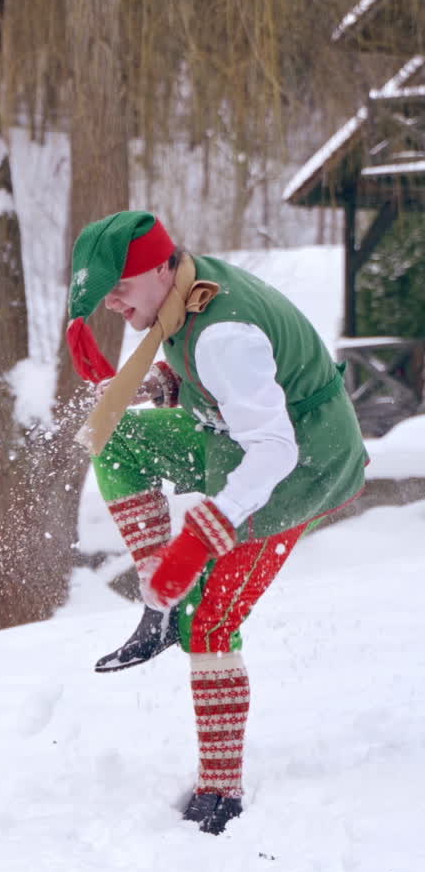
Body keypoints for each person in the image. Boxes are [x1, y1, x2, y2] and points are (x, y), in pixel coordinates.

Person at [64, 211, 367, 833]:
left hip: (299, 465)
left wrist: (203, 535)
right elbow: (229, 385)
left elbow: (274, 449)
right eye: (103, 294)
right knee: (115, 438)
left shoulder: (223, 335)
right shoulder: (181, 290)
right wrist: (163, 383)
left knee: (211, 621)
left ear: (159, 268)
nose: (112, 303)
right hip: (232, 436)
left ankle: (221, 792)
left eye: (119, 287)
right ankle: (160, 605)